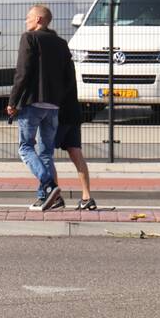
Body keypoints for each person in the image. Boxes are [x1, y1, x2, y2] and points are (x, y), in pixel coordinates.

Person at [7, 4, 73, 211]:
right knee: (45, 153)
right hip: (53, 105)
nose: (26, 21)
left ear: (38, 20)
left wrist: (12, 101)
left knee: (25, 148)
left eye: (28, 18)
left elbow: (23, 72)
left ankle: (49, 184)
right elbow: (68, 76)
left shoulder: (30, 38)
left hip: (32, 102)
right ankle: (47, 197)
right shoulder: (61, 43)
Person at [53, 58, 97, 210]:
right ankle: (87, 196)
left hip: (58, 114)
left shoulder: (52, 62)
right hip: (73, 112)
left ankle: (55, 196)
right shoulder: (68, 62)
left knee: (45, 155)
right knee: (76, 153)